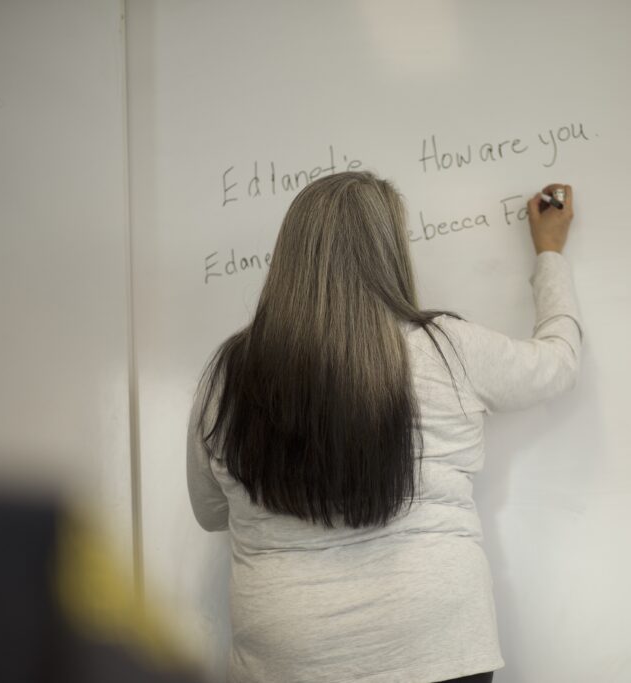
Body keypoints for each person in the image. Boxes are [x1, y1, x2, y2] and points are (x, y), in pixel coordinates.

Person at [187, 171, 582, 683]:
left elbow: (211, 511)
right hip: (436, 644)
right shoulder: (448, 348)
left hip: (286, 657)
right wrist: (549, 252)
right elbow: (559, 364)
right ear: (390, 251)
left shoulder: (228, 375)